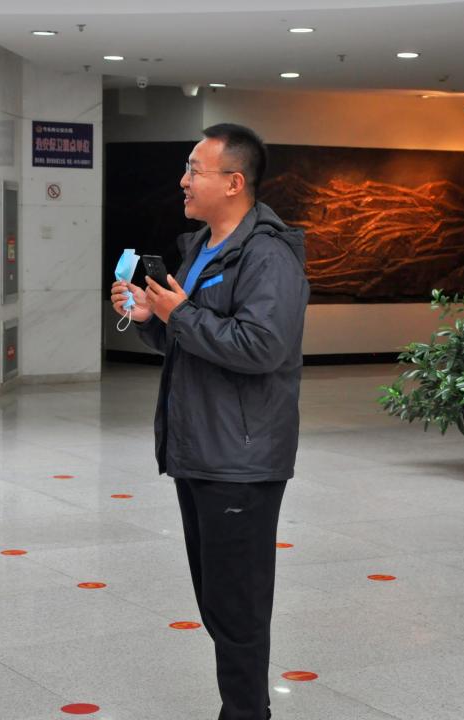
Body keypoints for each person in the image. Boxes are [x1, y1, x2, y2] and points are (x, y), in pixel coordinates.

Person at [110, 123, 310, 720]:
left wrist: (180, 315)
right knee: (218, 600)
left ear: (234, 182)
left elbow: (263, 346)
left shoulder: (268, 255)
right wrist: (152, 317)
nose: (183, 180)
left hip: (240, 459)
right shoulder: (201, 247)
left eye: (195, 169)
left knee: (237, 606)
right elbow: (191, 339)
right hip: (200, 449)